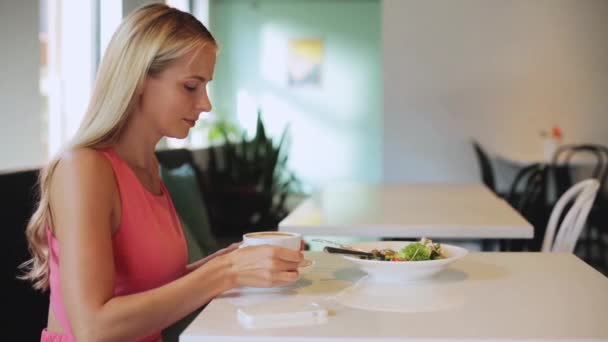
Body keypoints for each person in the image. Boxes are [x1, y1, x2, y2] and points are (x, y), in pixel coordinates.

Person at [20, 4, 303, 341]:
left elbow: (147, 289)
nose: (206, 104)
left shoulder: (149, 166)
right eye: (191, 86)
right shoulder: (83, 168)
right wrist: (223, 273)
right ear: (138, 80)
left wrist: (226, 263)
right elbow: (93, 328)